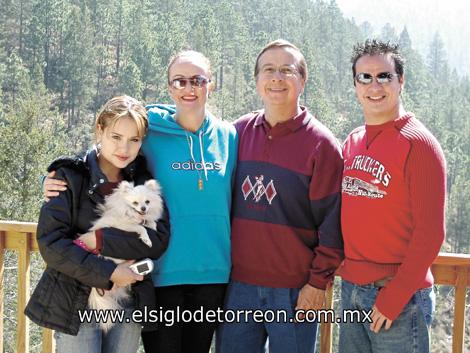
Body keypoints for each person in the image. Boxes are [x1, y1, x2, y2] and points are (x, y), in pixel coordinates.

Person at [43, 51, 238, 353]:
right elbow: (110, 138)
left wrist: (99, 241)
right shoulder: (152, 132)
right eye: (180, 80)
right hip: (160, 275)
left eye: (198, 80)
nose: (189, 87)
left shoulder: (230, 136)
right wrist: (58, 172)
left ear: (210, 84)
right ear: (170, 86)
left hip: (211, 273)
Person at [216, 39, 344, 353]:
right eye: (268, 70)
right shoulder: (237, 133)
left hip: (295, 289)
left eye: (287, 70)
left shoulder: (322, 146)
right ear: (257, 80)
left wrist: (317, 284)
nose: (277, 78)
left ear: (302, 80)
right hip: (237, 287)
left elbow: (333, 222)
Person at [25, 95, 170, 353]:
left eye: (134, 140)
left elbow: (157, 240)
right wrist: (108, 272)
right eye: (116, 137)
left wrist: (99, 240)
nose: (124, 148)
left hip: (129, 298)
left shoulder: (142, 179)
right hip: (77, 301)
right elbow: (52, 243)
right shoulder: (69, 176)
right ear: (99, 130)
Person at [338, 39, 446, 353]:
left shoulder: (419, 144)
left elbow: (430, 234)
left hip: (397, 298)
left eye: (384, 76)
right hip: (352, 292)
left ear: (401, 80)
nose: (375, 85)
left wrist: (394, 297)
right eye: (365, 77)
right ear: (355, 85)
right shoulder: (354, 140)